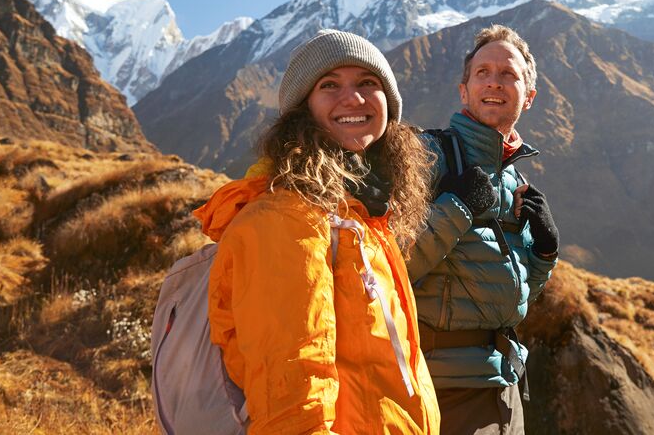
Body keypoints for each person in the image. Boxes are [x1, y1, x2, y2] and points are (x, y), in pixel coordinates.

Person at [193, 29, 441, 435]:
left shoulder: (363, 215)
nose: (354, 98)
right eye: (329, 85)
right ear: (301, 109)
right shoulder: (287, 218)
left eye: (368, 82)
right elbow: (291, 399)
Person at [408, 25, 559, 435]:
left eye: (508, 74)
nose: (494, 82)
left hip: (505, 384)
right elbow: (388, 268)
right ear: (464, 91)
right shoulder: (425, 157)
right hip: (443, 388)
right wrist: (456, 208)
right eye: (483, 72)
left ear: (528, 96)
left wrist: (544, 254)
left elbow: (505, 299)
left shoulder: (513, 179)